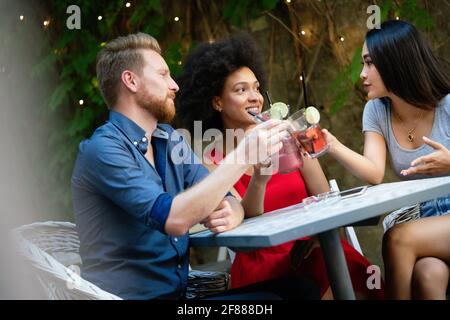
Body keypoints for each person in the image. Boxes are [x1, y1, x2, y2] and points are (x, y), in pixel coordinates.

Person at [71, 32, 322, 300]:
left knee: (302, 289)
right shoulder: (104, 150)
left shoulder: (169, 140)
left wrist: (233, 211)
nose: (174, 85)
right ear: (131, 81)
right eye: (163, 74)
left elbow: (230, 200)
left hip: (182, 298)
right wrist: (244, 155)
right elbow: (174, 219)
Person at [176, 32, 384, 299]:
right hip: (262, 264)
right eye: (241, 90)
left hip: (313, 249)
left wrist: (315, 239)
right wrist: (260, 178)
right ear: (217, 101)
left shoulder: (289, 138)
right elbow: (243, 222)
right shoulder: (213, 164)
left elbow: (327, 201)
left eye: (256, 87)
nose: (255, 97)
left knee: (342, 267)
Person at [322, 20, 450, 299]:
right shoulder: (376, 111)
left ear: (395, 62)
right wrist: (330, 144)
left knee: (397, 238)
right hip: (429, 219)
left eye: (369, 63)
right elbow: (373, 172)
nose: (362, 74)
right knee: (429, 274)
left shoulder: (447, 105)